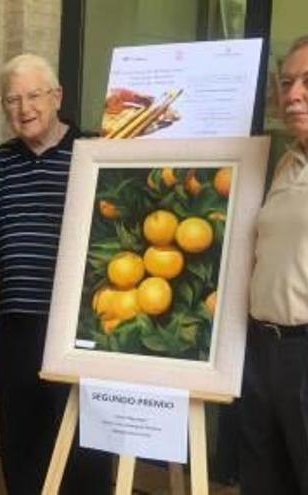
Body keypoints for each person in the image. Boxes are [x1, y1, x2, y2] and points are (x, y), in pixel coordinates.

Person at [0, 53, 111, 494]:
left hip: (82, 326)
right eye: (12, 100)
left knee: (84, 445)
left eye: (34, 96)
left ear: (57, 96)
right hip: (17, 323)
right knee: (21, 439)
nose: (24, 109)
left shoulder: (95, 153)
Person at [240, 35, 308, 494]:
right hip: (264, 349)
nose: (294, 94)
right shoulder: (286, 162)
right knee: (263, 481)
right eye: (287, 82)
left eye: (307, 82)